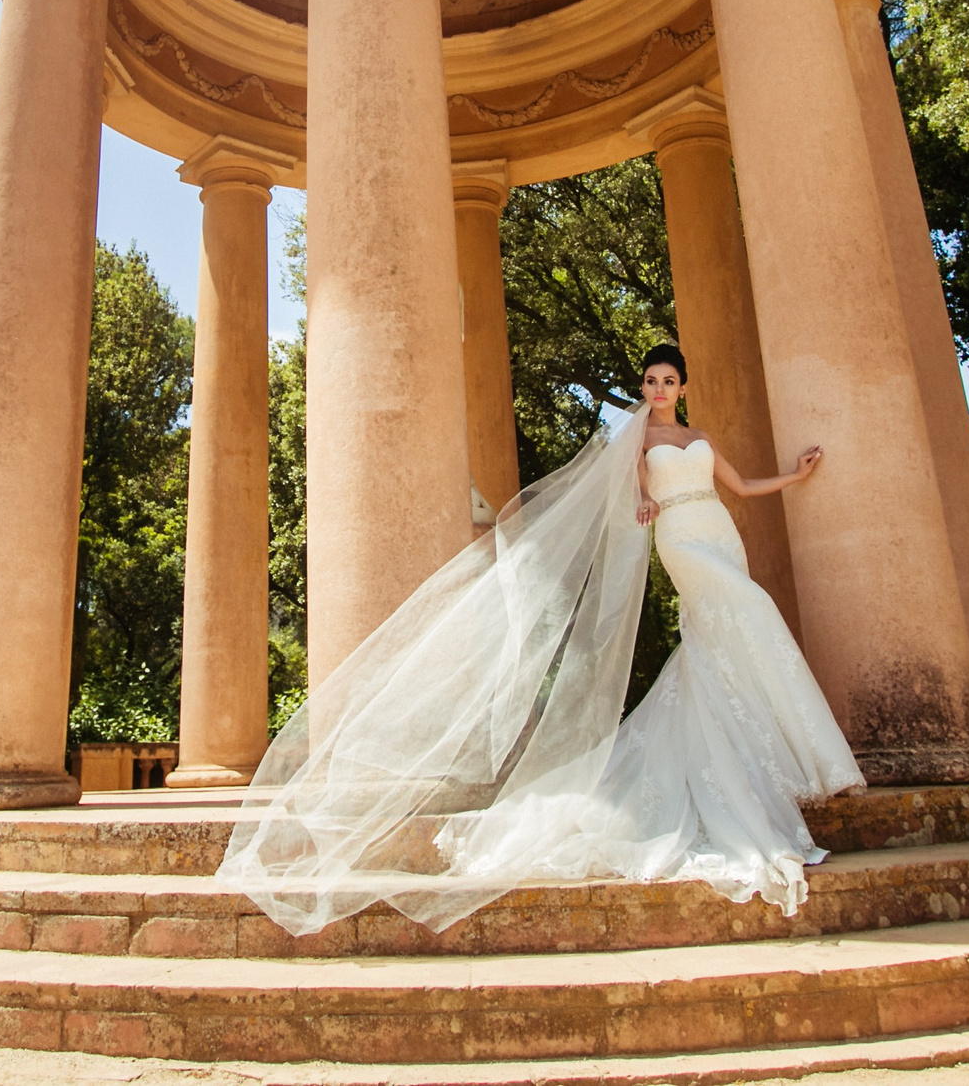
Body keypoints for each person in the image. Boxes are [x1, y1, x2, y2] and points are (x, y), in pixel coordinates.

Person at [219, 342, 865, 936]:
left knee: (737, 629)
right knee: (746, 607)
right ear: (643, 386)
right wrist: (642, 505)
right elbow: (631, 496)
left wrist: (795, 474)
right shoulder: (635, 435)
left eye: (668, 380)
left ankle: (748, 735)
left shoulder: (699, 436)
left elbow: (743, 486)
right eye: (651, 379)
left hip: (719, 529)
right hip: (682, 540)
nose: (659, 387)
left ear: (683, 385)